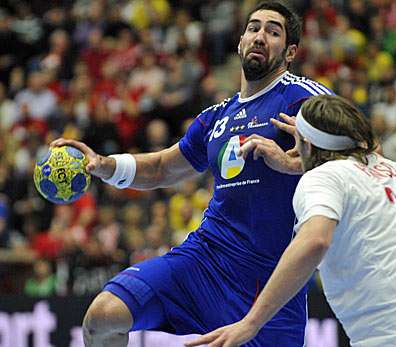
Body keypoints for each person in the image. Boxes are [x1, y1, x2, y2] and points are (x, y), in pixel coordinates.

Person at [51, 2, 333, 346]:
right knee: (102, 317)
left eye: (273, 32)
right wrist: (106, 165)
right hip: (203, 262)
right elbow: (161, 167)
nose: (260, 37)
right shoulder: (217, 117)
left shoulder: (303, 98)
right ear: (240, 42)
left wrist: (293, 163)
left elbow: (364, 152)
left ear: (290, 52)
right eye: (253, 28)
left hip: (269, 283)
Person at [187, 95, 396, 347]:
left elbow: (315, 240)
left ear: (306, 144)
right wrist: (312, 140)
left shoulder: (321, 178)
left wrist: (250, 323)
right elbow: (361, 149)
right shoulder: (390, 168)